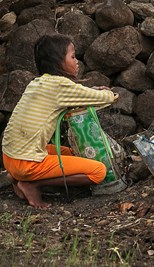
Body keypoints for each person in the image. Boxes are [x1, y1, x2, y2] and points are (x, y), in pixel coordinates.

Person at [2, 34, 117, 209]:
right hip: (26, 162)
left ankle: (17, 177)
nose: (76, 61)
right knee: (98, 171)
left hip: (10, 158)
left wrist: (91, 91)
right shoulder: (59, 86)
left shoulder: (39, 83)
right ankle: (32, 184)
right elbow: (103, 98)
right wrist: (110, 94)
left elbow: (75, 95)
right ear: (58, 62)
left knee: (72, 153)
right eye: (72, 57)